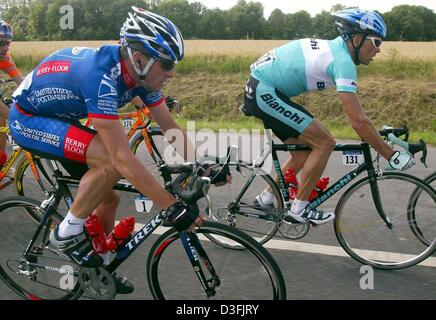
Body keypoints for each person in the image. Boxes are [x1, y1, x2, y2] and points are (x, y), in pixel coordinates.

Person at [9, 7, 219, 294]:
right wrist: (170, 205)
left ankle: (101, 266)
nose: (171, 73)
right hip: (28, 118)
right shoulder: (101, 78)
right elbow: (121, 158)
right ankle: (65, 232)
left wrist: (204, 165)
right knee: (110, 161)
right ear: (139, 58)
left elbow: (168, 125)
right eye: (167, 63)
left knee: (109, 199)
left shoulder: (140, 76)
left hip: (61, 117)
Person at [241, 9, 415, 225]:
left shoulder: (336, 50)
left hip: (264, 89)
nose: (379, 50)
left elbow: (359, 119)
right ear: (358, 39)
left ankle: (266, 198)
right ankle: (299, 209)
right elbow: (358, 122)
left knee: (303, 153)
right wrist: (391, 155)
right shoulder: (342, 61)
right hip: (265, 91)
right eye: (377, 42)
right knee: (324, 143)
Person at [0, 19, 24, 168]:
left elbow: (23, 84)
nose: (5, 48)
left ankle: (1, 161)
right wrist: (15, 116)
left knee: (1, 119)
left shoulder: (6, 59)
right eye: (1, 43)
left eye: (8, 43)